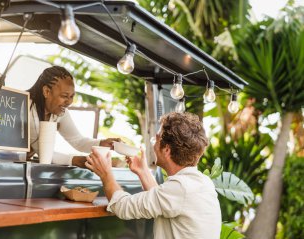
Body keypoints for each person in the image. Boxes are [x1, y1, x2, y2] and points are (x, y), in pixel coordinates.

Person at [85, 112, 221, 239]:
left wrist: (106, 173)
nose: (154, 145)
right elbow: (163, 201)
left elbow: (121, 207)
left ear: (167, 149)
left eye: (156, 139)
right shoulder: (201, 182)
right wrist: (142, 171)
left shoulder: (181, 187)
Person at [27, 66, 119, 167]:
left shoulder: (59, 112)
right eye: (64, 96)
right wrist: (78, 160)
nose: (69, 102)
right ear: (46, 92)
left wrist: (102, 143)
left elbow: (78, 141)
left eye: (72, 96)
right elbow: (43, 153)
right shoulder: (26, 107)